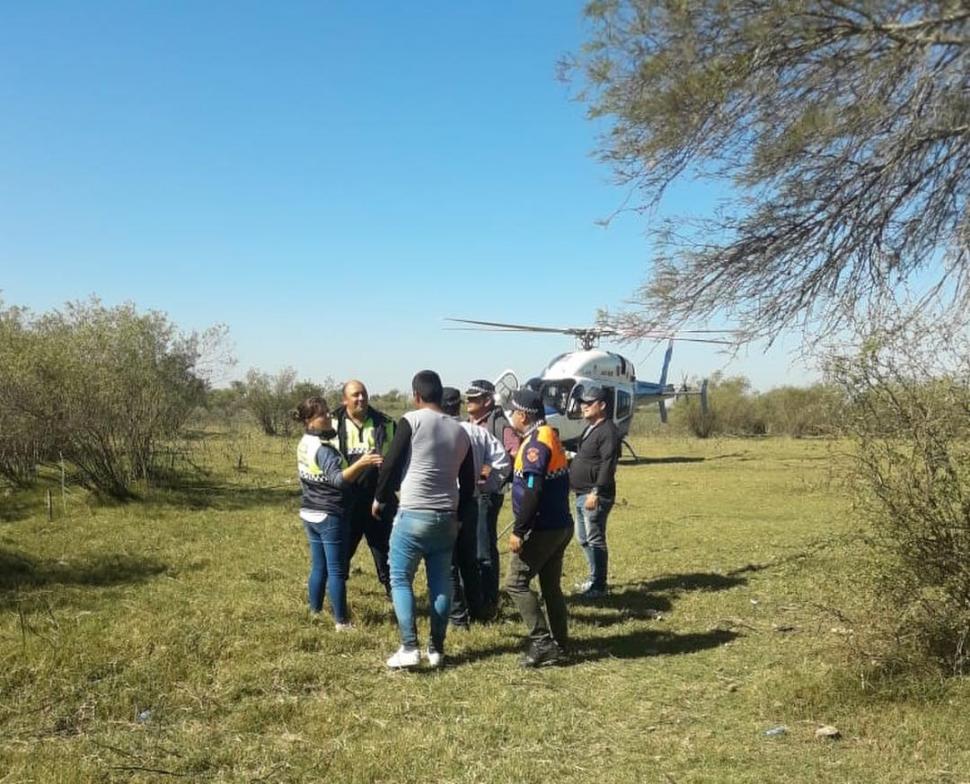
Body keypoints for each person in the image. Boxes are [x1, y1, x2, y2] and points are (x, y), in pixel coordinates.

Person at [373, 371, 475, 669]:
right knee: (442, 583)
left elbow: (391, 461)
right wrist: (460, 516)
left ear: (416, 395)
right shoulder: (461, 431)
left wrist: (379, 498)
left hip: (414, 513)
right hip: (446, 517)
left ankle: (409, 647)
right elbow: (468, 482)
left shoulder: (412, 420)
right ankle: (436, 649)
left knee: (400, 578)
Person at [294, 396, 383, 629]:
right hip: (330, 514)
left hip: (309, 511)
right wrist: (362, 463)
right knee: (336, 569)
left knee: (318, 566)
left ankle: (314, 610)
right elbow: (338, 480)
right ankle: (341, 621)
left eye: (327, 413)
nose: (328, 418)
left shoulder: (304, 443)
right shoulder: (324, 450)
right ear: (310, 421)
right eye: (322, 415)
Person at [504, 388, 573, 667]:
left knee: (515, 583)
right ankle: (561, 642)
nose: (509, 416)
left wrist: (519, 530)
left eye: (511, 411)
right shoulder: (548, 435)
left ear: (522, 414)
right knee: (550, 587)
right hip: (560, 524)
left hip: (543, 528)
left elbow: (532, 490)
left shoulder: (535, 445)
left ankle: (543, 642)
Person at [441, 387, 511, 628]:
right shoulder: (476, 432)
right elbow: (502, 462)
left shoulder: (435, 432)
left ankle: (458, 617)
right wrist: (484, 485)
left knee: (448, 563)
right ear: (458, 406)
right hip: (470, 502)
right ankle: (479, 608)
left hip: (445, 505)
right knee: (470, 559)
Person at [330, 380, 396, 597]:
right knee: (341, 553)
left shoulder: (385, 423)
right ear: (344, 399)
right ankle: (334, 599)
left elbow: (398, 459)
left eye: (364, 394)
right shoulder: (331, 424)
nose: (361, 399)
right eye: (355, 395)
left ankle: (395, 596)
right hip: (345, 501)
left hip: (378, 501)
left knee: (385, 552)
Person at [464, 379, 520, 616]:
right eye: (467, 398)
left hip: (488, 494)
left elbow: (516, 454)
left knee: (484, 548)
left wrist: (490, 473)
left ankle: (489, 599)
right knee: (473, 546)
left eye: (474, 398)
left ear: (487, 400)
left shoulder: (499, 424)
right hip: (471, 492)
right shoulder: (469, 422)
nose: (469, 401)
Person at [568, 385, 621, 598]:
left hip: (594, 495)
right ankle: (593, 578)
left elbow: (609, 463)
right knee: (583, 538)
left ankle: (599, 585)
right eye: (583, 403)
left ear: (602, 405)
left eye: (589, 403)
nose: (584, 407)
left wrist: (596, 492)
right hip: (581, 493)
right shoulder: (591, 427)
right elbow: (587, 456)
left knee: (595, 539)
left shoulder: (608, 431)